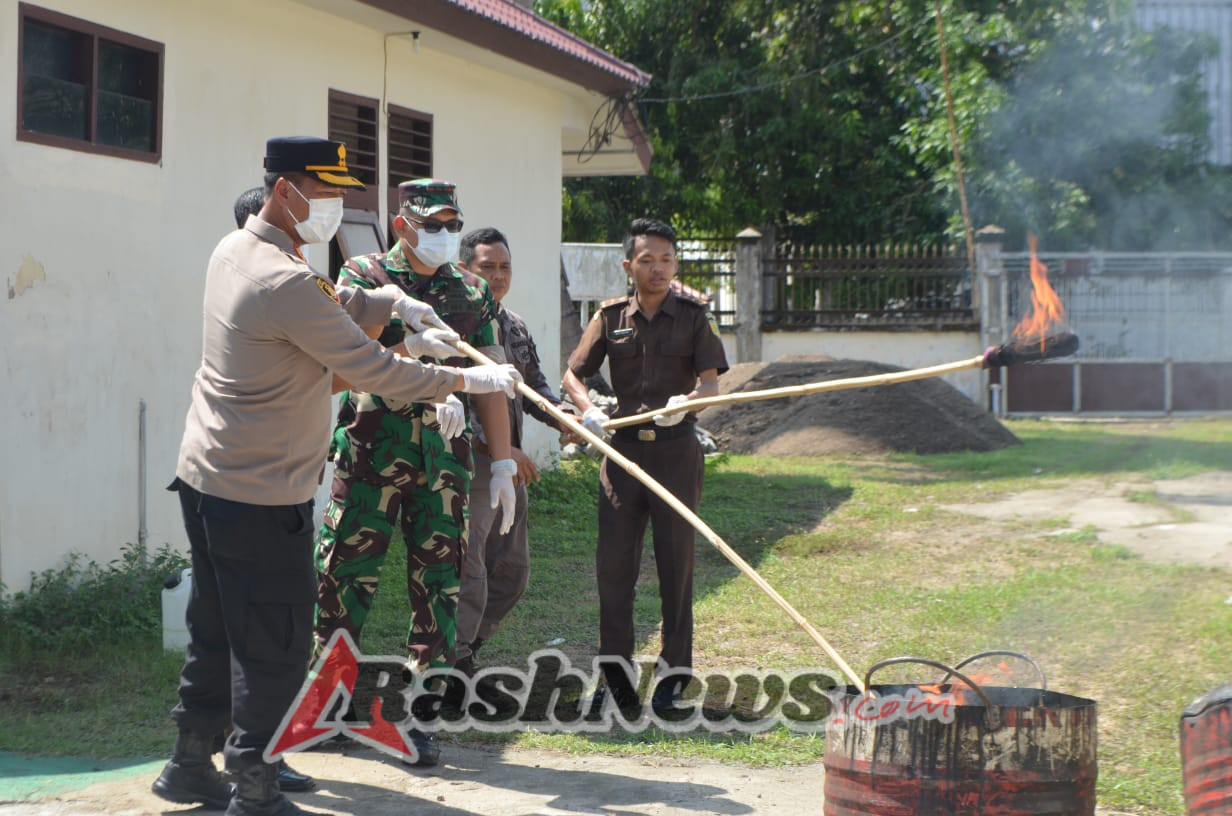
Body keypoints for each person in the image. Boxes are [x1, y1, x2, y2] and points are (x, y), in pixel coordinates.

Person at [153, 137, 521, 816]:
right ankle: (255, 784)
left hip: (208, 476)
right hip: (260, 490)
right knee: (276, 641)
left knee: (216, 629)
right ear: (287, 191)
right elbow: (370, 370)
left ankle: (187, 765)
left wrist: (390, 309)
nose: (337, 207)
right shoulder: (284, 277)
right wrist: (464, 377)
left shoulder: (236, 251)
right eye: (326, 194)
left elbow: (323, 328)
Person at [312, 179, 517, 767]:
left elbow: (492, 377)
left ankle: (417, 718)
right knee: (343, 583)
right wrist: (413, 350)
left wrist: (501, 459)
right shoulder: (362, 275)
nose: (446, 236)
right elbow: (348, 357)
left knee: (439, 592)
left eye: (453, 225)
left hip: (444, 466)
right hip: (371, 455)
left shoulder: (472, 290)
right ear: (402, 225)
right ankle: (329, 708)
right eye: (434, 225)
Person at [561, 217, 729, 713]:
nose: (659, 269)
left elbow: (711, 384)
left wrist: (688, 402)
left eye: (667, 260)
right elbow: (573, 373)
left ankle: (674, 679)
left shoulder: (694, 316)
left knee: (676, 564)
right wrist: (588, 409)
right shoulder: (610, 317)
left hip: (676, 451)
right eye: (648, 259)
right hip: (624, 451)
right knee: (614, 568)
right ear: (628, 265)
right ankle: (615, 679)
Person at [453, 228, 580, 677]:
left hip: (511, 467)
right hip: (469, 466)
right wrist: (501, 447)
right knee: (468, 568)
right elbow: (451, 402)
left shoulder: (515, 323)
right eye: (487, 267)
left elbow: (533, 389)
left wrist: (566, 418)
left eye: (504, 266)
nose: (498, 276)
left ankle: (470, 647)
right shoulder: (451, 326)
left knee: (511, 568)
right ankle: (455, 660)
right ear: (465, 269)